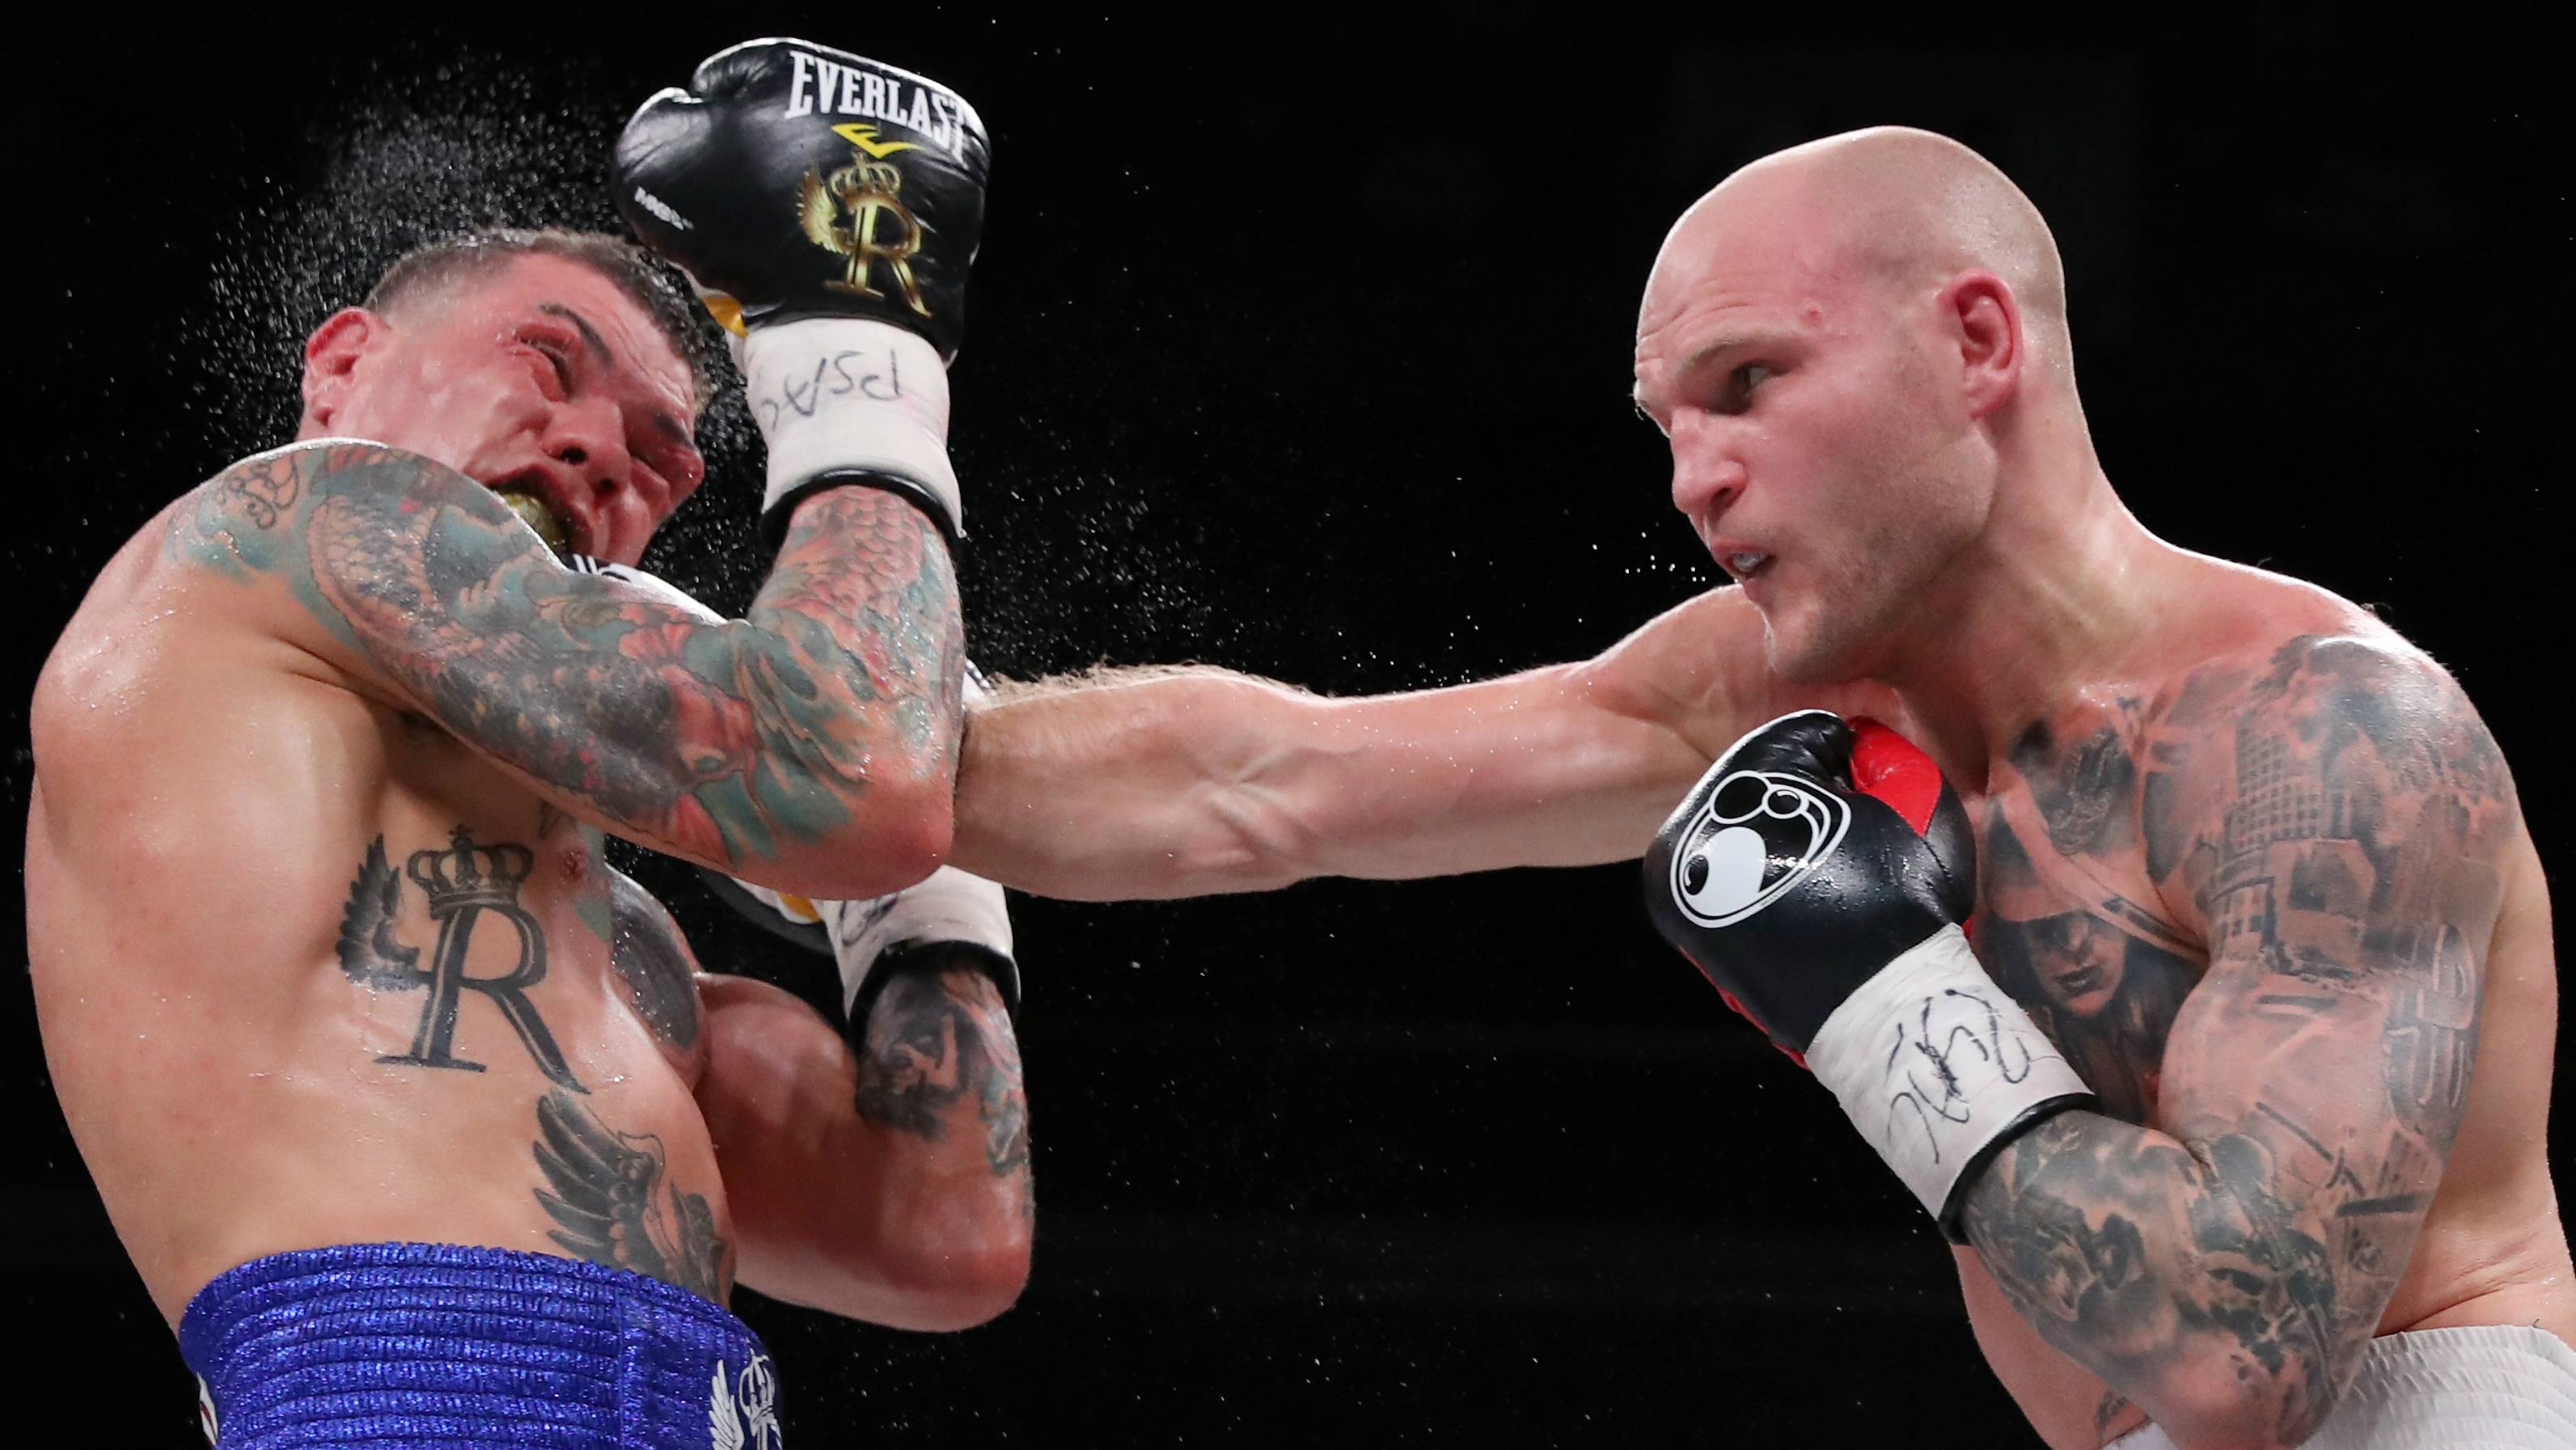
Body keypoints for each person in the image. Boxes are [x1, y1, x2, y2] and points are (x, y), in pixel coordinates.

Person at [945, 127, 2571, 1448]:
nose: (1691, 476)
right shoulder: (1769, 692)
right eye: (1664, 424)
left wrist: (1881, 999)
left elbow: (2243, 1360)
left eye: (1745, 383)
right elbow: (1267, 780)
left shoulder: (2321, 738)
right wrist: (837, 739)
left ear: (1977, 342)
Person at [25, 38, 1029, 1449]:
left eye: (660, 458)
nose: (600, 452)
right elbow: (850, 773)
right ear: (343, 366)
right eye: (546, 362)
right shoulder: (284, 525)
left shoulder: (629, 961)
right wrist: (858, 353)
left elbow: (947, 1234)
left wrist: (920, 895)